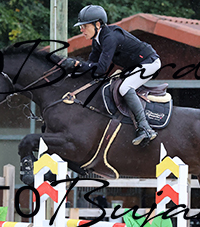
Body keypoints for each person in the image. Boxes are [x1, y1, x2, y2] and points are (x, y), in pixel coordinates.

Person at [64, 5, 162, 146]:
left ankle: (145, 128)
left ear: (97, 25)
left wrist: (77, 64)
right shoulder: (97, 40)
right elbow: (91, 67)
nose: (81, 30)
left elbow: (100, 69)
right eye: (81, 26)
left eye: (84, 26)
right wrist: (72, 72)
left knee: (125, 88)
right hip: (134, 66)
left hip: (149, 62)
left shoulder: (109, 38)